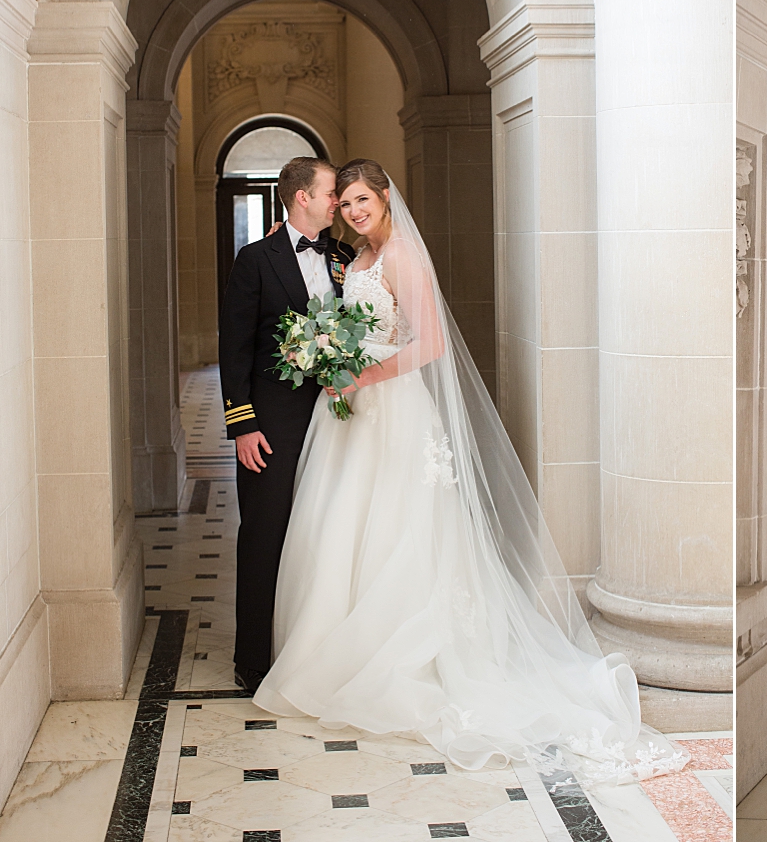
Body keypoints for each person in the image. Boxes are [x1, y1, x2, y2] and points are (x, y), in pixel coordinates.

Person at [252, 159, 689, 784]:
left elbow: (427, 344)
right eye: (343, 202)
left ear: (382, 198)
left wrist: (363, 374)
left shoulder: (401, 255)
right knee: (344, 527)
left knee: (401, 529)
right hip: (351, 412)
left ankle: (397, 656)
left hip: (392, 408)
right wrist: (330, 357)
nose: (351, 211)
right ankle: (337, 650)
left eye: (360, 200)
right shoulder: (354, 257)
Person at [219, 157, 357, 693]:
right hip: (271, 423)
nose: (338, 203)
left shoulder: (346, 257)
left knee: (324, 532)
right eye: (331, 193)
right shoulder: (255, 259)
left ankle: (314, 646)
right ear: (302, 196)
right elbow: (233, 347)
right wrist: (242, 424)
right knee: (264, 531)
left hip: (336, 417)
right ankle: (254, 656)